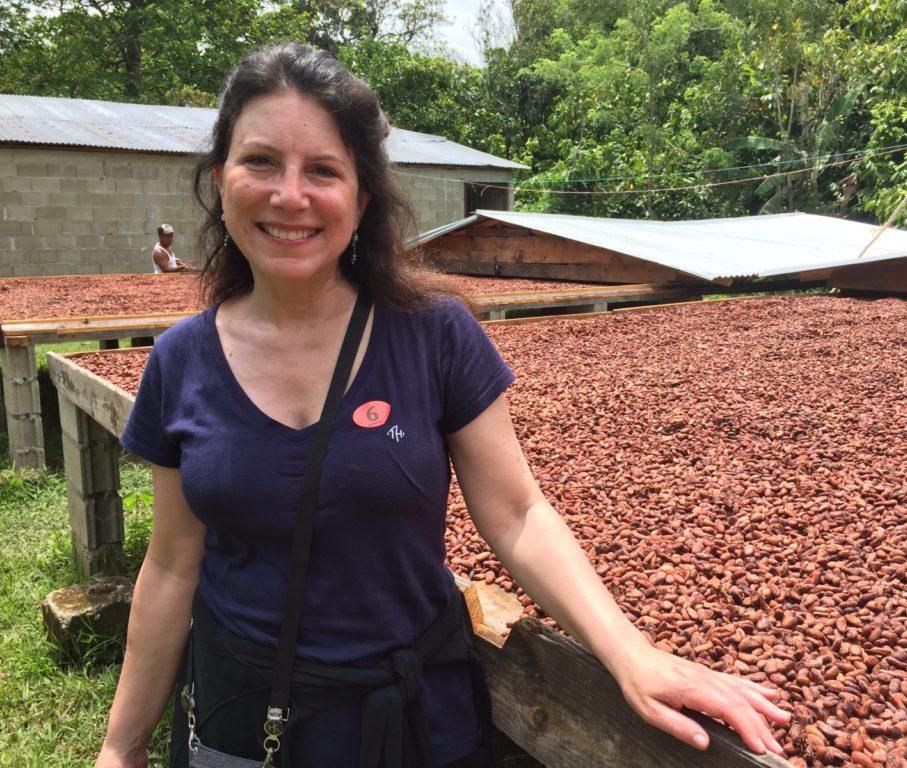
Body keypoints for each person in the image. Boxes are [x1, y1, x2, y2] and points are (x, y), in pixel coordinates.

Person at [95, 43, 789, 768]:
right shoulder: (181, 359)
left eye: (323, 170)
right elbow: (174, 563)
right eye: (261, 161)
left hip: (414, 724)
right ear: (220, 178)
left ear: (362, 200)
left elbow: (517, 513)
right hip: (242, 724)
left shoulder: (433, 334)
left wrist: (628, 652)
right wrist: (121, 745)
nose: (290, 195)